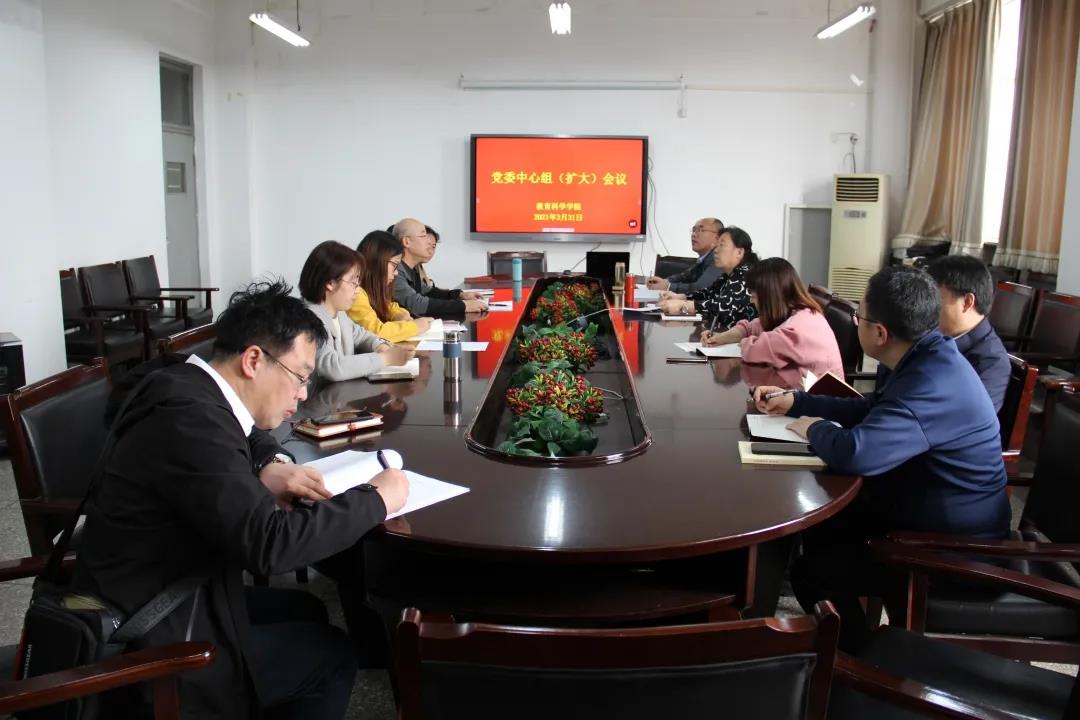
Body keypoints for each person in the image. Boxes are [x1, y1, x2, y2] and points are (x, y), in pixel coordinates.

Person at [72, 279, 411, 718]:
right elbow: (271, 547)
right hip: (146, 633)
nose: (302, 394)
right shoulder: (190, 421)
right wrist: (377, 499)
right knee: (331, 655)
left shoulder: (187, 382)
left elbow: (246, 433)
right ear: (253, 360)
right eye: (300, 376)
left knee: (306, 608)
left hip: (171, 584)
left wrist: (269, 462)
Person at [753, 266, 1008, 649]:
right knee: (820, 527)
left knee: (814, 572)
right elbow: (873, 408)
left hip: (954, 552)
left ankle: (861, 660)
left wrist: (813, 427)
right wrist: (798, 402)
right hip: (922, 514)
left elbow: (857, 454)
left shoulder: (932, 381)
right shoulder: (927, 354)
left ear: (880, 333)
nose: (856, 323)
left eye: (859, 317)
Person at [876, 255, 1009, 412]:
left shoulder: (992, 363)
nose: (928, 307)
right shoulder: (932, 334)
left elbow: (963, 420)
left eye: (936, 300)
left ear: (967, 302)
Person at [703, 257, 843, 389]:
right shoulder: (797, 312)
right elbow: (750, 327)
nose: (751, 301)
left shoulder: (798, 327)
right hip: (803, 391)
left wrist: (744, 342)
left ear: (769, 297)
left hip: (821, 399)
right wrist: (721, 337)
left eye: (754, 296)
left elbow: (754, 350)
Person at [299, 240, 414, 382]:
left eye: (359, 283)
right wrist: (385, 358)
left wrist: (382, 347)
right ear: (330, 283)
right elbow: (333, 367)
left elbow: (362, 336)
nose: (358, 290)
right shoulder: (308, 320)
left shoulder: (339, 313)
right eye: (353, 282)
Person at [659, 225, 758, 328]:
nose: (715, 250)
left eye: (721, 245)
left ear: (739, 252)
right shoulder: (728, 275)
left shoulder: (747, 274)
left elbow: (722, 307)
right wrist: (681, 297)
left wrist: (684, 306)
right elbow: (708, 293)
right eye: (716, 245)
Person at [348, 230, 433, 343]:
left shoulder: (372, 290)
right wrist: (415, 327)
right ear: (377, 261)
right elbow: (376, 333)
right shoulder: (355, 293)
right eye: (394, 265)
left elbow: (389, 306)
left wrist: (401, 315)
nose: (396, 272)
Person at [392, 218, 486, 317]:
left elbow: (428, 292)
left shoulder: (412, 268)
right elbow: (417, 304)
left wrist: (460, 295)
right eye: (423, 236)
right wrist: (463, 306)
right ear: (407, 242)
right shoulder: (394, 271)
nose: (428, 241)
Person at [645, 217, 725, 293]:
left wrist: (668, 286)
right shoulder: (704, 258)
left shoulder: (719, 259)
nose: (694, 234)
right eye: (694, 230)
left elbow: (701, 289)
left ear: (717, 238)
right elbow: (684, 277)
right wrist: (664, 282)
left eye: (701, 230)